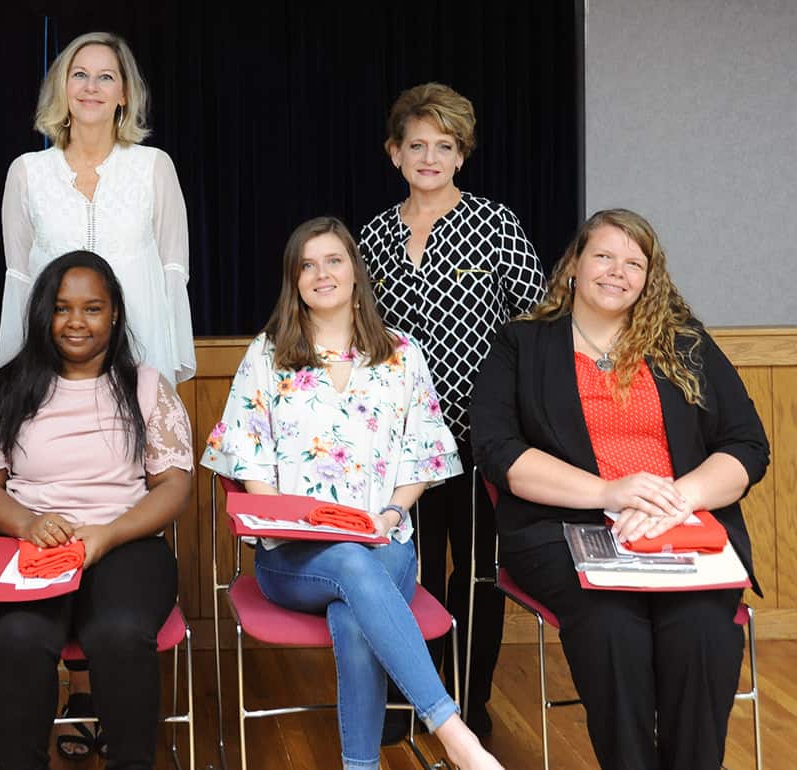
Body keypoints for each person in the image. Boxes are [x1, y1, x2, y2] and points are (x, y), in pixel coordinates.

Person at [470, 209, 769, 769]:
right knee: (613, 630)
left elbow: (748, 445)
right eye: (604, 256)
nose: (617, 272)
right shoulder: (523, 344)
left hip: (680, 528)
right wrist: (610, 493)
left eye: (635, 263)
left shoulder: (684, 343)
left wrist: (675, 501)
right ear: (575, 265)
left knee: (703, 632)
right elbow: (498, 451)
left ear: (649, 279)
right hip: (567, 530)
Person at [201, 217, 503, 770]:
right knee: (348, 567)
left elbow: (425, 454)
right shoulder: (266, 357)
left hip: (386, 544)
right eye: (307, 265)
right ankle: (454, 733)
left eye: (334, 260)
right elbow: (248, 463)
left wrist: (390, 513)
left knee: (353, 604)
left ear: (356, 271)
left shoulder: (402, 354)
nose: (322, 274)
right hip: (292, 559)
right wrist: (292, 521)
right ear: (294, 281)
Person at [358, 82, 544, 733]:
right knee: (405, 570)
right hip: (398, 443)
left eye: (444, 146)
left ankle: (471, 700)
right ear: (394, 152)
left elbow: (537, 323)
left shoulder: (495, 224)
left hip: (478, 435)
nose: (430, 158)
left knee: (475, 576)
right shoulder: (375, 236)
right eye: (417, 145)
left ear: (461, 155)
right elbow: (355, 336)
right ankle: (414, 699)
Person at [0, 251, 193, 770]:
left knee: (117, 632)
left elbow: (174, 484)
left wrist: (107, 535)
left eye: (92, 308)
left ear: (114, 314)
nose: (76, 322)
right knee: (19, 636)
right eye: (63, 308)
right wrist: (28, 523)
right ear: (44, 313)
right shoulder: (7, 387)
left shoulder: (148, 387)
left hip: (124, 542)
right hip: (29, 545)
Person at [0, 31, 194, 387]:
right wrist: (15, 368)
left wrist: (165, 370)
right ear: (62, 87)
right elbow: (19, 281)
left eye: (106, 77)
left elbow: (173, 273)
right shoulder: (26, 171)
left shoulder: (154, 166)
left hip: (141, 358)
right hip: (53, 364)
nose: (91, 87)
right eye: (80, 75)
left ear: (124, 93)